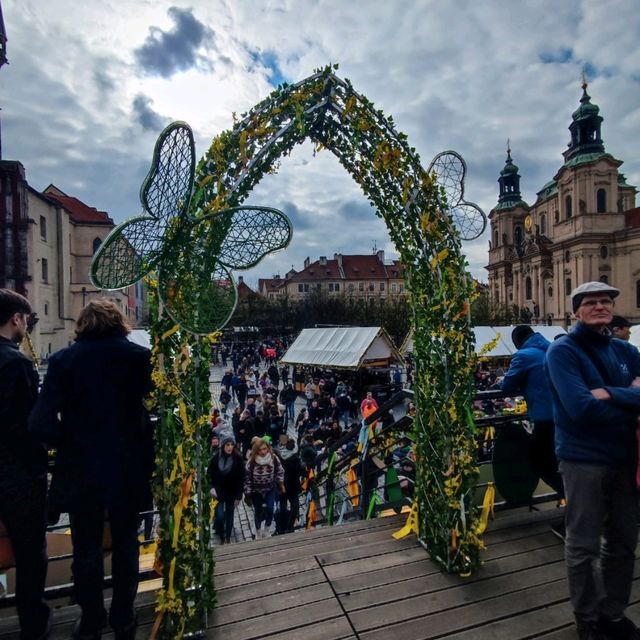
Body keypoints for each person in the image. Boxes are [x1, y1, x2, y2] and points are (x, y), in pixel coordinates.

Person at [29, 299, 153, 640]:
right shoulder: (138, 358)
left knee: (86, 547)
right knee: (128, 542)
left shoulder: (62, 360)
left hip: (81, 468)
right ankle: (124, 619)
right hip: (127, 466)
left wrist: (68, 441)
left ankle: (92, 620)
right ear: (119, 323)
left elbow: (39, 421)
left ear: (82, 324)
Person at [545, 281, 640, 640]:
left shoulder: (623, 349)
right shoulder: (564, 351)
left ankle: (612, 613)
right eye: (590, 302)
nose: (600, 306)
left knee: (622, 541)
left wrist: (608, 394)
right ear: (576, 310)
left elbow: (598, 402)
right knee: (583, 545)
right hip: (583, 459)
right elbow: (581, 409)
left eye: (605, 301)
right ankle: (587, 619)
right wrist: (630, 401)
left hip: (623, 457)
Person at [0, 290, 50, 640]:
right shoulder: (16, 363)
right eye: (27, 320)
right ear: (16, 318)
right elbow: (33, 422)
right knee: (30, 554)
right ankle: (33, 625)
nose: (28, 326)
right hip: (16, 473)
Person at [497, 325, 565, 536]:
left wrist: (502, 380)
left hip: (545, 417)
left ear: (518, 341)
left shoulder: (524, 355)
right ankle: (577, 502)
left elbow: (507, 386)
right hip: (564, 416)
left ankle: (577, 500)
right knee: (558, 463)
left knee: (539, 463)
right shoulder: (554, 348)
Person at [243, 438, 285, 539]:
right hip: (256, 490)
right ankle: (258, 530)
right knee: (258, 511)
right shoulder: (251, 462)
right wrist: (248, 494)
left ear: (268, 448)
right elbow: (247, 479)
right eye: (260, 450)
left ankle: (267, 528)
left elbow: (280, 471)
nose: (262, 452)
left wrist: (280, 483)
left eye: (264, 449)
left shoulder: (273, 458)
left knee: (270, 508)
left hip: (270, 488)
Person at [207, 435, 244, 544]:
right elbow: (209, 474)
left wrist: (239, 496)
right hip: (219, 492)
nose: (230, 447)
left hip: (231, 492)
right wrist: (211, 487)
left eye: (232, 445)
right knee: (219, 516)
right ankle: (221, 533)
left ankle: (226, 537)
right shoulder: (215, 458)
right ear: (223, 446)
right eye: (227, 445)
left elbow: (241, 478)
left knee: (229, 514)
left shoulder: (238, 459)